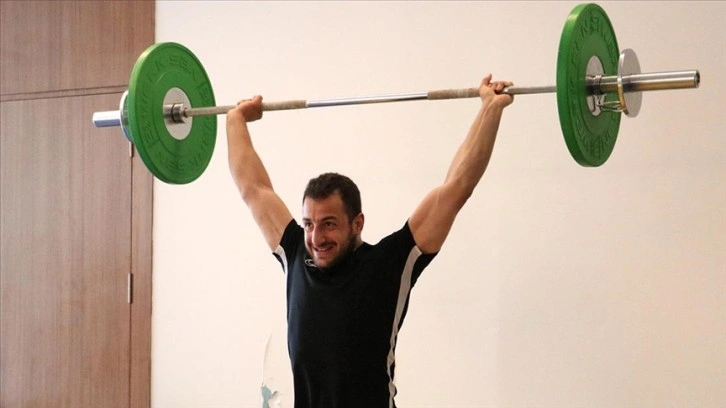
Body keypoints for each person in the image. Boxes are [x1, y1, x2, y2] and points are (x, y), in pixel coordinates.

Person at [226, 74, 514, 408]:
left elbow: (456, 188)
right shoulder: (295, 254)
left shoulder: (388, 264)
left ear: (357, 223)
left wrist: (489, 110)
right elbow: (253, 188)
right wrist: (235, 120)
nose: (316, 237)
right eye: (309, 224)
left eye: (329, 224)